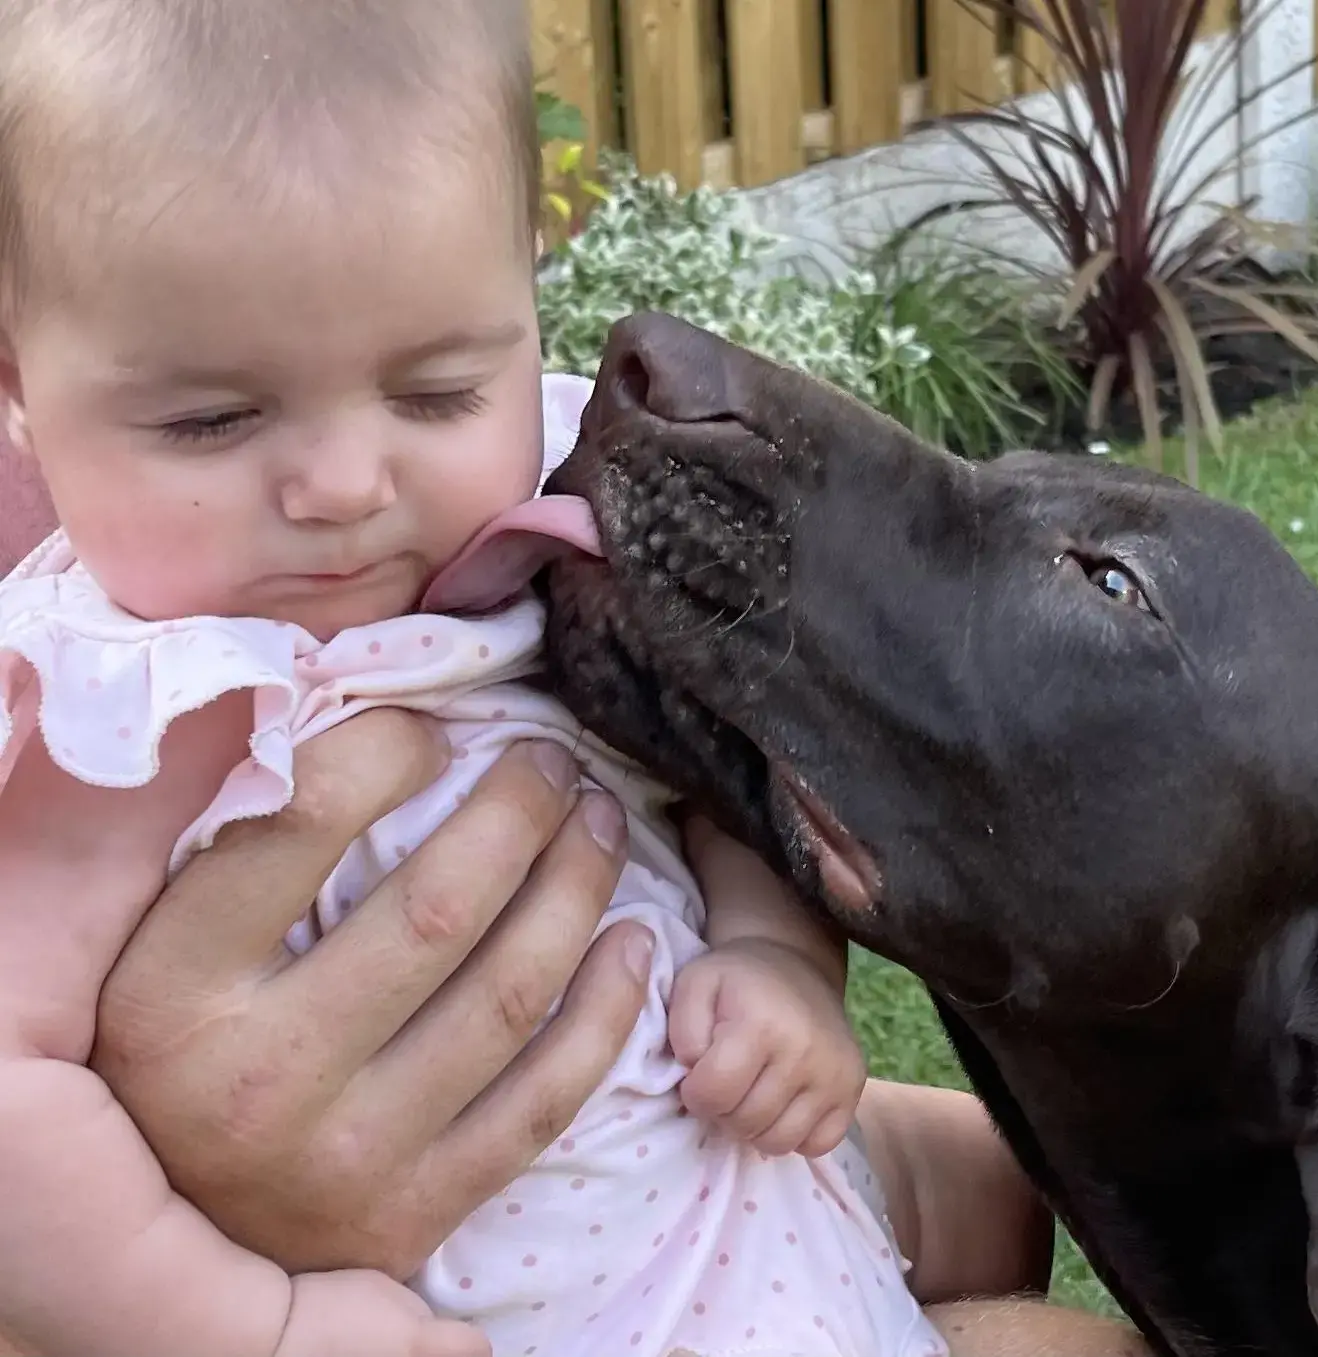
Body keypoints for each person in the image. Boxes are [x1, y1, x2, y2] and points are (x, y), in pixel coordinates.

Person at [0, 2, 1069, 1356]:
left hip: (756, 1252)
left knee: (1021, 1231)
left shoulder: (552, 522)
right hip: (497, 1316)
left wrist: (773, 959)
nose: (342, 486)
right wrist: (247, 1324)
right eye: (212, 418)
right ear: (19, 389)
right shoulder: (122, 711)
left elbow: (714, 772)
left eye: (438, 392)